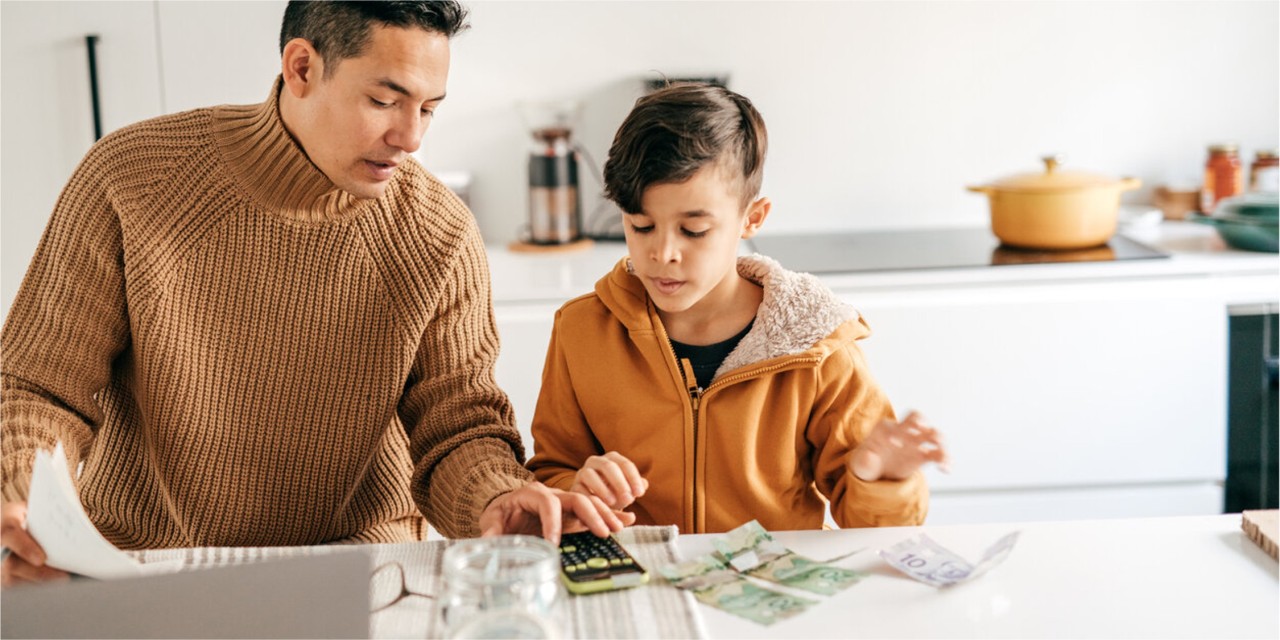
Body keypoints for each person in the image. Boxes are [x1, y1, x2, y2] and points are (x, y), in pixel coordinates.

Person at [0, 0, 629, 587]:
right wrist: (26, 505)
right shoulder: (132, 179)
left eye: (429, 108)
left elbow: (458, 426)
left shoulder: (438, 231)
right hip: (149, 563)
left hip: (364, 567)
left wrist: (495, 495)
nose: (411, 138)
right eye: (385, 100)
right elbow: (37, 386)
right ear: (301, 67)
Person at [526, 83, 949, 533]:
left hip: (773, 587)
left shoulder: (816, 345)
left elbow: (879, 532)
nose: (663, 252)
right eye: (641, 225)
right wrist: (575, 492)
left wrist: (878, 475)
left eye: (694, 231)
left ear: (752, 218)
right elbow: (551, 471)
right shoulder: (582, 331)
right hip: (643, 586)